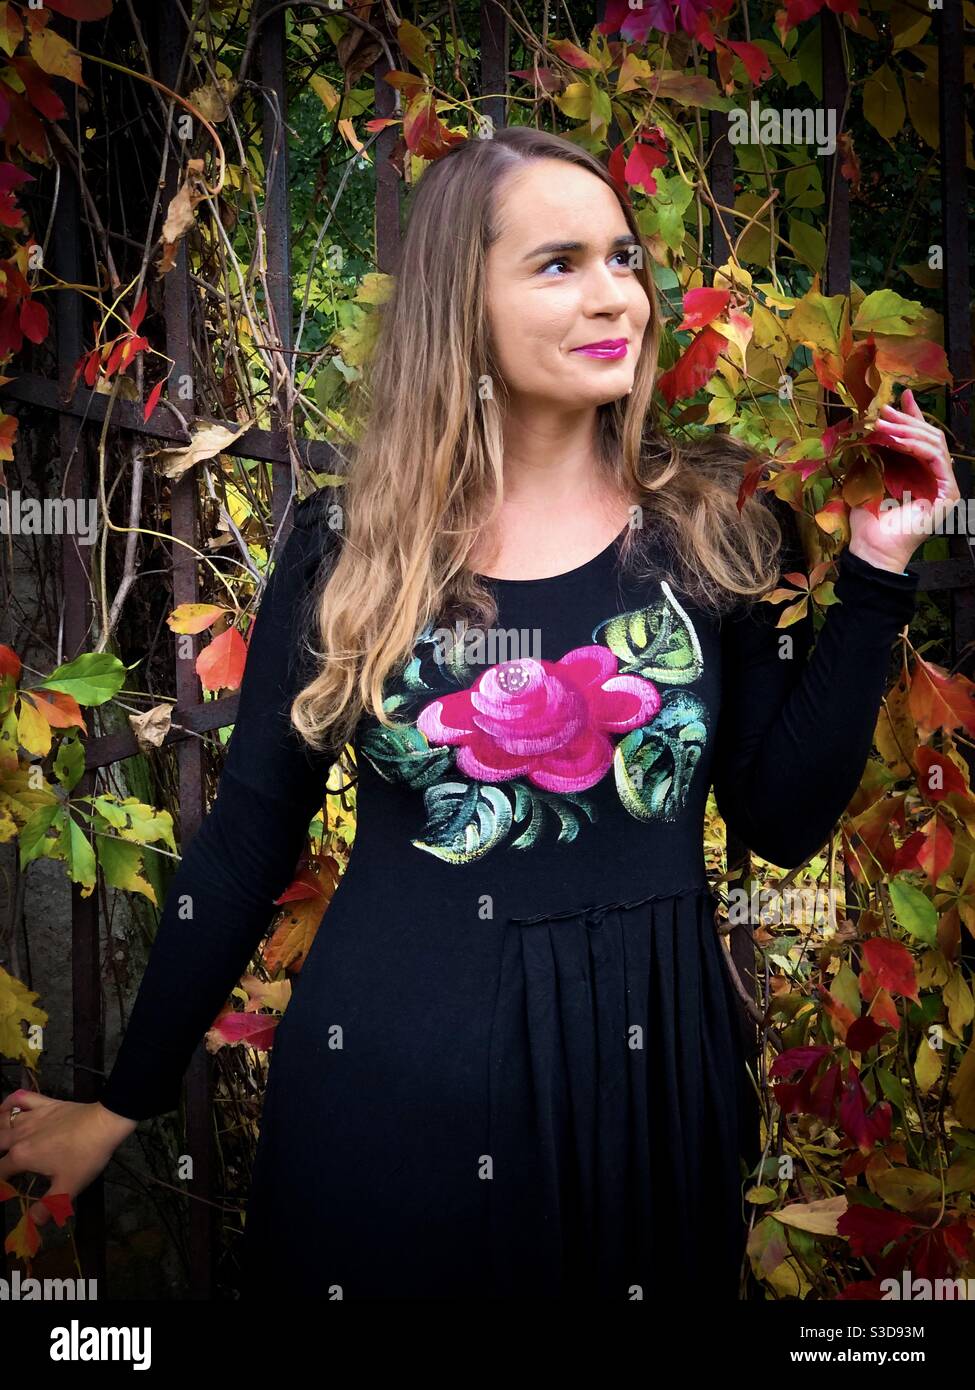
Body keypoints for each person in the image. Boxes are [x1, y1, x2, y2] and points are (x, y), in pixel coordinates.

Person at [0, 127, 955, 1300]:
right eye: (558, 264)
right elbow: (251, 839)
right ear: (466, 305)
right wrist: (123, 1100)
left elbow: (784, 816)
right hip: (399, 1092)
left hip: (646, 1095)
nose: (615, 295)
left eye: (620, 259)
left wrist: (874, 575)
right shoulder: (353, 547)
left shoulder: (718, 528)